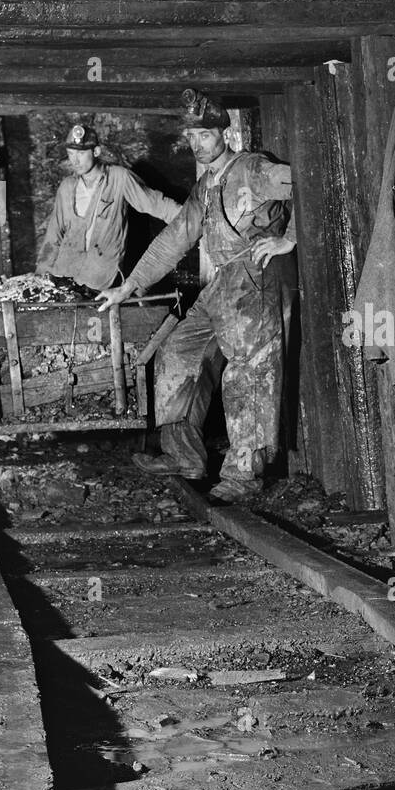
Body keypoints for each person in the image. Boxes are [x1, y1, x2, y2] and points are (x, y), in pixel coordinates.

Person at [97, 89, 294, 502]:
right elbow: (175, 239)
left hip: (254, 280)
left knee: (247, 369)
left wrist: (287, 239)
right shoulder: (205, 186)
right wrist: (129, 286)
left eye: (205, 134)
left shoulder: (254, 168)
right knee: (177, 351)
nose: (197, 144)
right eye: (191, 136)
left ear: (224, 132)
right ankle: (184, 456)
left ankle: (244, 473)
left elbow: (303, 183)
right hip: (223, 281)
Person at [35, 123, 184, 292]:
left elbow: (158, 204)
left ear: (96, 152)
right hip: (63, 277)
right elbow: (53, 237)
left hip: (100, 281)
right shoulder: (66, 187)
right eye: (70, 153)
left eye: (81, 153)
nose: (75, 160)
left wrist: (192, 221)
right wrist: (41, 277)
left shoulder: (119, 178)